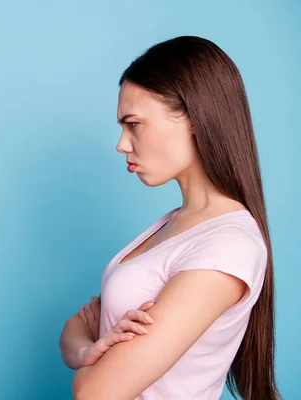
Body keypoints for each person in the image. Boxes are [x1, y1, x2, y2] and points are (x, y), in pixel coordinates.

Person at [60, 36, 280, 400]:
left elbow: (94, 392)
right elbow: (74, 329)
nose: (121, 143)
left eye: (134, 124)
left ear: (194, 119)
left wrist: (89, 352)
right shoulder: (173, 224)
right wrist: (87, 350)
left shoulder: (228, 246)